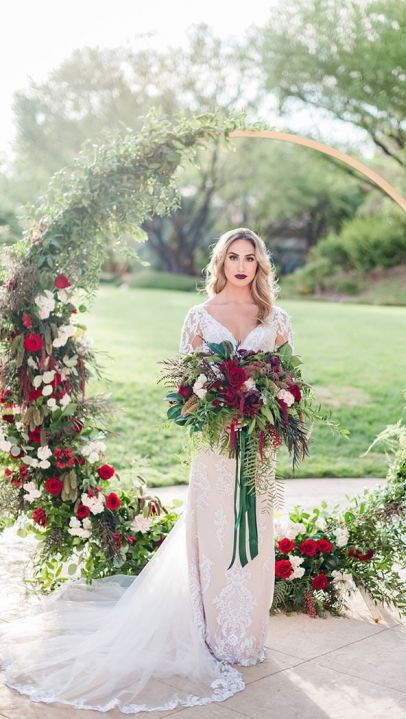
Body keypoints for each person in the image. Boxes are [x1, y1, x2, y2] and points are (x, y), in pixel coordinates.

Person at [0, 227, 295, 714]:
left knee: (256, 533)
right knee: (215, 533)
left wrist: (270, 410)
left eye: (250, 258)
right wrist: (219, 406)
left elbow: (287, 379)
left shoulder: (276, 318)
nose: (241, 266)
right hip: (216, 446)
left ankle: (246, 637)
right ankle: (209, 634)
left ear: (260, 264)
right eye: (232, 257)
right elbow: (187, 385)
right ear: (220, 263)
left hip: (257, 446)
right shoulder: (199, 316)